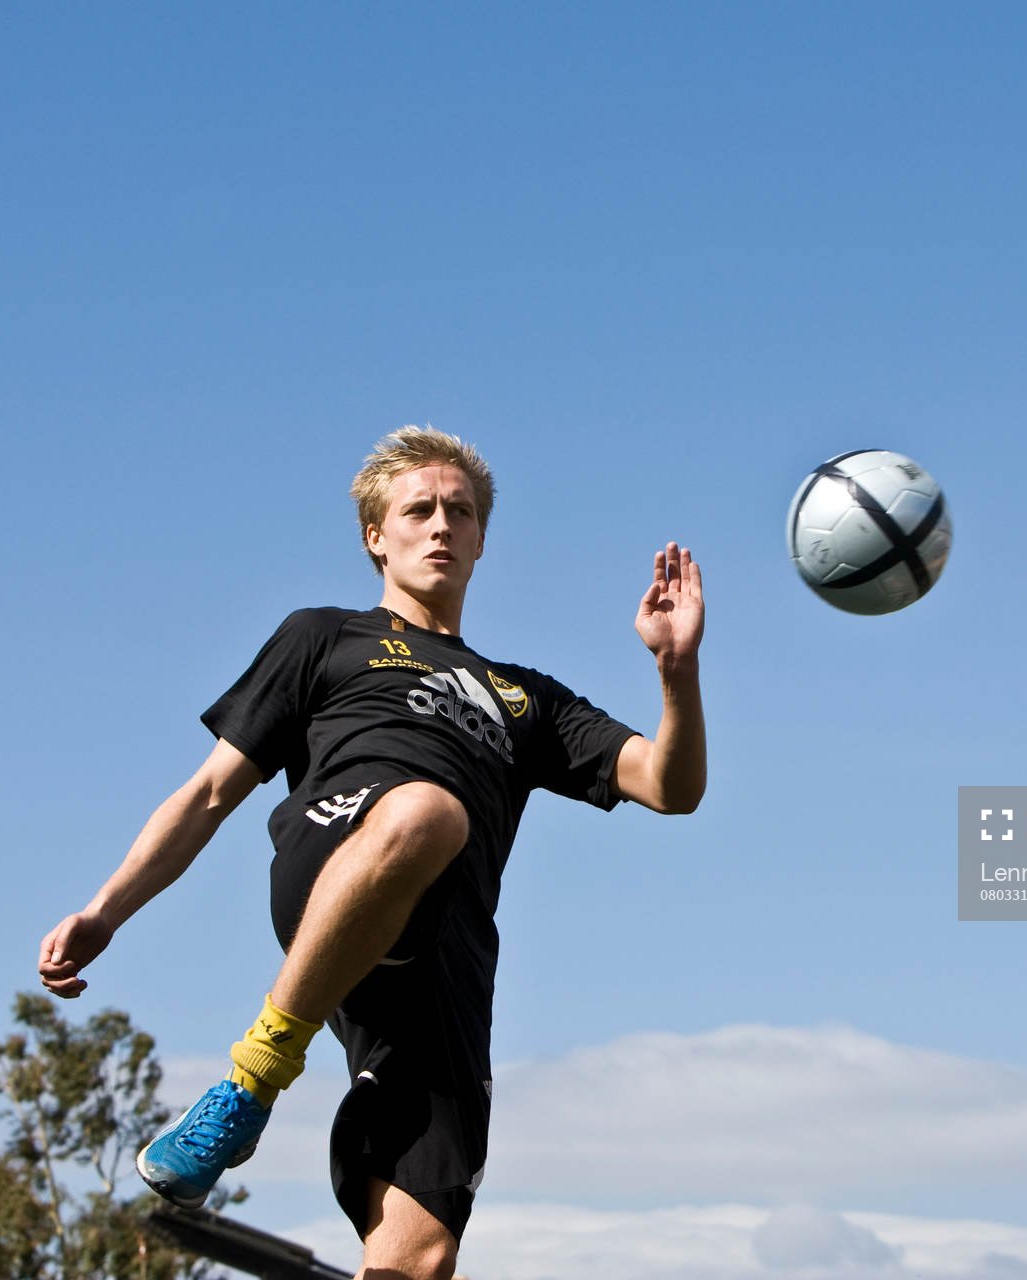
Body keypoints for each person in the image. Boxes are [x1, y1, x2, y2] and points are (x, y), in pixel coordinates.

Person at [38, 427, 707, 1279]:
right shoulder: (324, 638)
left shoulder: (528, 698)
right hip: (340, 856)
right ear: (375, 536)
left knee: (420, 1254)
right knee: (428, 812)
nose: (440, 526)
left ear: (480, 538)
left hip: (445, 964)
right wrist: (106, 910)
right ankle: (251, 1081)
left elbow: (670, 785)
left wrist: (676, 672)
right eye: (419, 509)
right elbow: (210, 792)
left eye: (459, 513)